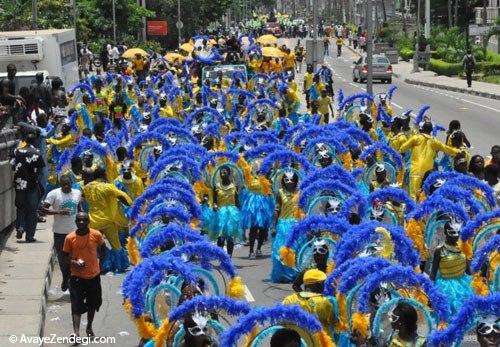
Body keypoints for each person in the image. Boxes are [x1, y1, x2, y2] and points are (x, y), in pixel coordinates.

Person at [63, 212, 105, 339]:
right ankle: (76, 332)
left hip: (94, 276)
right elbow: (65, 257)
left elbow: (103, 249)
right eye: (79, 220)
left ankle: (89, 327)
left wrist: (100, 265)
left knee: (92, 303)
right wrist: (74, 263)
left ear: (88, 222)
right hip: (77, 277)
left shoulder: (96, 235)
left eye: (84, 220)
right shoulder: (70, 238)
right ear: (75, 222)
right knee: (76, 304)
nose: (82, 222)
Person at [399, 121, 461, 200]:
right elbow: (446, 148)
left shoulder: (416, 138)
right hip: (428, 174)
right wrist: (458, 151)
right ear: (431, 130)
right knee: (425, 196)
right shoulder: (434, 141)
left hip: (415, 171)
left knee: (413, 196)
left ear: (422, 129)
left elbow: (402, 148)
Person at [42, 175, 82, 291]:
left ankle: (73, 281)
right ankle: (65, 277)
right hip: (60, 233)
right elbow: (43, 209)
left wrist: (85, 222)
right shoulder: (53, 194)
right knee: (63, 260)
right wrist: (59, 212)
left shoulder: (77, 193)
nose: (66, 186)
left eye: (68, 183)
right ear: (60, 185)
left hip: (75, 232)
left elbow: (79, 208)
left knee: (75, 257)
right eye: (63, 184)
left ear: (71, 183)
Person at [430, 219, 473, 317]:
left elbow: (468, 270)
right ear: (445, 232)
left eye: (458, 232)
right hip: (446, 289)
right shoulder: (439, 250)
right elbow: (433, 273)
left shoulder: (463, 247)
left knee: (465, 317)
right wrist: (430, 292)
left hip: (464, 285)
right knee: (450, 317)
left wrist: (477, 281)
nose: (456, 235)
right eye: (452, 232)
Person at [11, 132, 45, 242]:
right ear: (35, 141)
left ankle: (20, 227)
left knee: (20, 207)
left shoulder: (17, 151)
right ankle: (29, 236)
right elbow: (40, 170)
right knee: (32, 210)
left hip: (19, 184)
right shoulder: (37, 152)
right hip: (32, 185)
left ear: (25, 141)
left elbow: (12, 166)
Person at [282, 269, 335, 336]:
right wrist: (336, 296)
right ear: (319, 285)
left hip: (297, 340)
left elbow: (282, 321)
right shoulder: (324, 302)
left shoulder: (289, 299)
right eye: (324, 283)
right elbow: (336, 323)